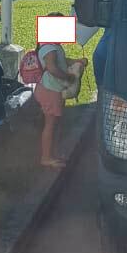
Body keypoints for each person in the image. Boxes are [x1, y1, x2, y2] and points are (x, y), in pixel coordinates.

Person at [35, 12, 87, 169]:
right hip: (51, 92)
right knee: (50, 125)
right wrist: (68, 78)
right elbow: (52, 68)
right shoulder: (49, 48)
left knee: (54, 123)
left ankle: (52, 152)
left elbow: (62, 61)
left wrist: (77, 61)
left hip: (52, 90)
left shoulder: (54, 46)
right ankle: (46, 157)